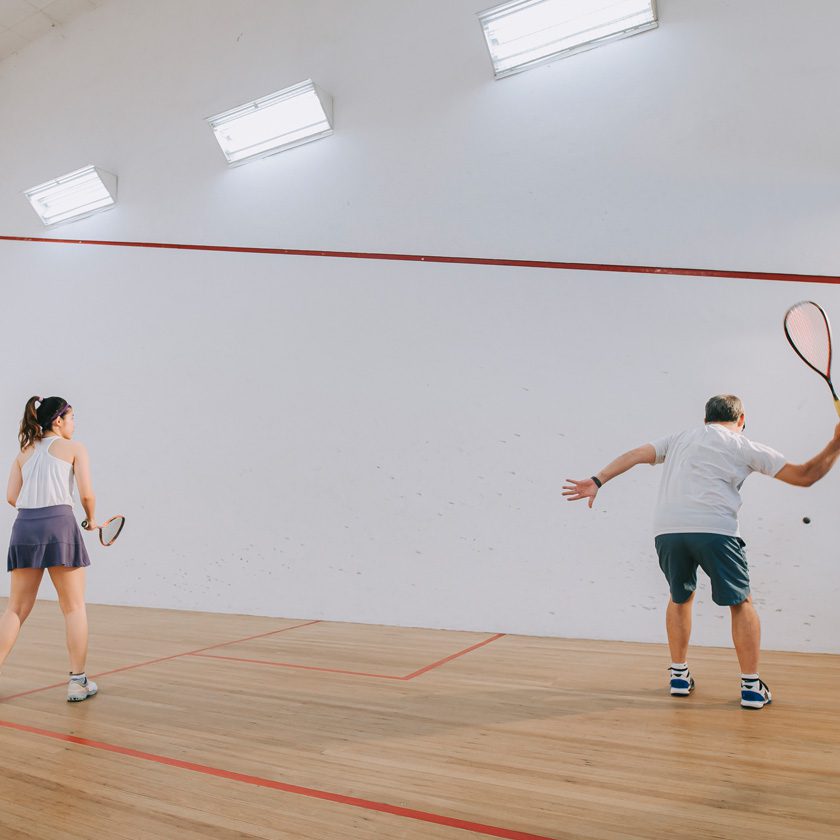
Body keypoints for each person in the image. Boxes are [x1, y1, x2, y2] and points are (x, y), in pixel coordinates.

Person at [563, 394, 840, 710]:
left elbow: (635, 454)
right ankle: (751, 687)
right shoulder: (743, 445)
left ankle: (678, 676)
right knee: (741, 603)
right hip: (715, 531)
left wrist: (598, 480)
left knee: (680, 598)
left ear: (706, 417)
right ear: (742, 420)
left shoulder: (679, 438)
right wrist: (835, 444)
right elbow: (805, 476)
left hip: (668, 531)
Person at [1, 396, 99, 702]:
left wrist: (36, 513)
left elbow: (11, 497)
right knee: (73, 607)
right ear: (58, 420)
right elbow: (86, 495)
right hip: (59, 524)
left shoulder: (24, 453)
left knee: (15, 609)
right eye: (71, 418)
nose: (74, 423)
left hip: (25, 526)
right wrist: (92, 519)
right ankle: (78, 681)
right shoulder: (75, 448)